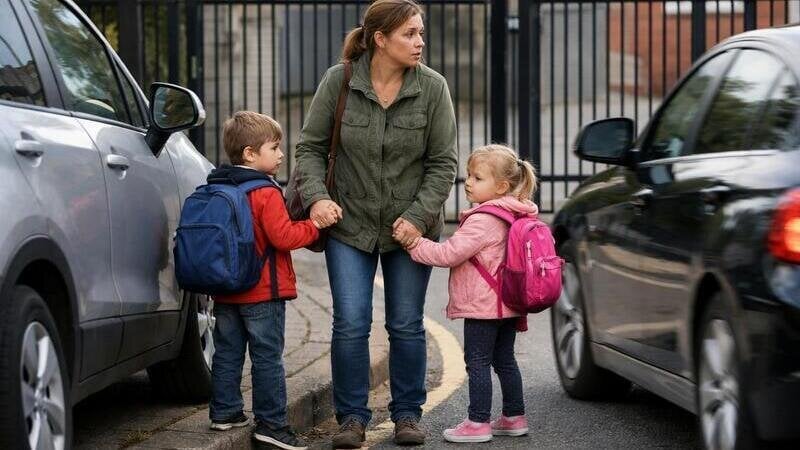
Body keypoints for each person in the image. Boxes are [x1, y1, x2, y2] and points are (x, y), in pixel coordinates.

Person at [293, 0, 457, 447]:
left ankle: (407, 414)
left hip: (410, 230)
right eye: (409, 33)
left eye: (421, 32)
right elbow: (308, 148)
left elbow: (443, 164)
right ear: (379, 39)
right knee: (350, 322)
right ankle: (351, 419)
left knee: (405, 323)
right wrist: (318, 199)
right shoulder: (339, 81)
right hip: (349, 223)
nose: (420, 41)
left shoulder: (433, 88)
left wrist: (418, 217)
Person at [208, 111, 336, 450]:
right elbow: (282, 237)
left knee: (227, 352)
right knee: (266, 356)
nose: (281, 155)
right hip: (263, 291)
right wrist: (315, 226)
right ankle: (272, 426)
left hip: (225, 289)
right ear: (250, 153)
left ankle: (224, 412)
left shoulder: (217, 185)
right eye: (275, 148)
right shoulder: (265, 192)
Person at [402, 145, 537, 443]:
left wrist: (414, 244)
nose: (468, 182)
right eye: (468, 175)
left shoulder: (483, 219)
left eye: (477, 177)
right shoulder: (515, 212)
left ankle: (478, 422)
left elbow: (449, 254)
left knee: (477, 361)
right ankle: (515, 417)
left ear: (501, 186)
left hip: (483, 306)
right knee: (505, 361)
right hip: (510, 304)